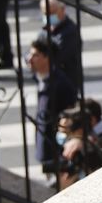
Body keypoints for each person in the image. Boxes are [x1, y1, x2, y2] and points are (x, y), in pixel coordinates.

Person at [28, 33, 77, 176]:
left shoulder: (61, 85)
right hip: (45, 146)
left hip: (57, 150)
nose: (29, 59)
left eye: (35, 55)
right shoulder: (39, 78)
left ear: (47, 58)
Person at [41, 0, 82, 93]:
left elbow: (58, 57)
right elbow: (34, 48)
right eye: (45, 13)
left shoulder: (69, 31)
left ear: (62, 10)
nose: (49, 16)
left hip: (66, 82)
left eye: (52, 13)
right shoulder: (46, 29)